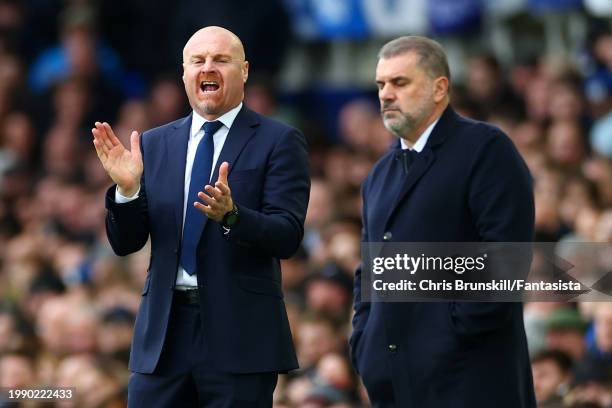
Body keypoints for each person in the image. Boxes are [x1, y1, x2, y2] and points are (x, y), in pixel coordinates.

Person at [92, 26, 310, 407]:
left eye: (221, 59)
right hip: (163, 336)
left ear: (243, 71)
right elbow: (126, 243)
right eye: (198, 60)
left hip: (240, 338)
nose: (208, 67)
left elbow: (287, 234)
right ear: (184, 74)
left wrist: (233, 216)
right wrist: (127, 191)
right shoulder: (155, 144)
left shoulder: (279, 140)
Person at [349, 36, 536, 407]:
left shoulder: (485, 149)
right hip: (395, 384)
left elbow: (505, 258)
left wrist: (448, 333)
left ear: (439, 88)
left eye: (400, 83)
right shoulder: (379, 174)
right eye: (381, 84)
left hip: (470, 380)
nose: (386, 94)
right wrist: (364, 341)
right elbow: (369, 271)